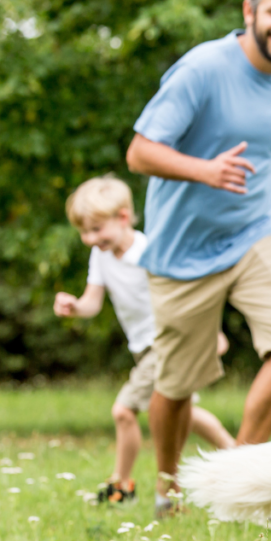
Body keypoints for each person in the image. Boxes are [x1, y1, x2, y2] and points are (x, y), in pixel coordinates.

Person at [125, 0, 271, 517]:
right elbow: (139, 151)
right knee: (176, 385)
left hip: (254, 231)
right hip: (180, 250)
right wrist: (205, 170)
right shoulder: (203, 69)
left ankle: (236, 475)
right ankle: (169, 490)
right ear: (248, 11)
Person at [55, 175, 236, 504]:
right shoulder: (102, 256)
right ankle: (241, 459)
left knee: (124, 411)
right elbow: (93, 302)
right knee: (183, 411)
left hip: (167, 341)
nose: (89, 238)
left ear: (123, 217)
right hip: (142, 348)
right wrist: (75, 307)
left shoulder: (149, 251)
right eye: (83, 231)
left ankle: (122, 486)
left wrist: (211, 334)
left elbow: (186, 296)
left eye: (96, 229)